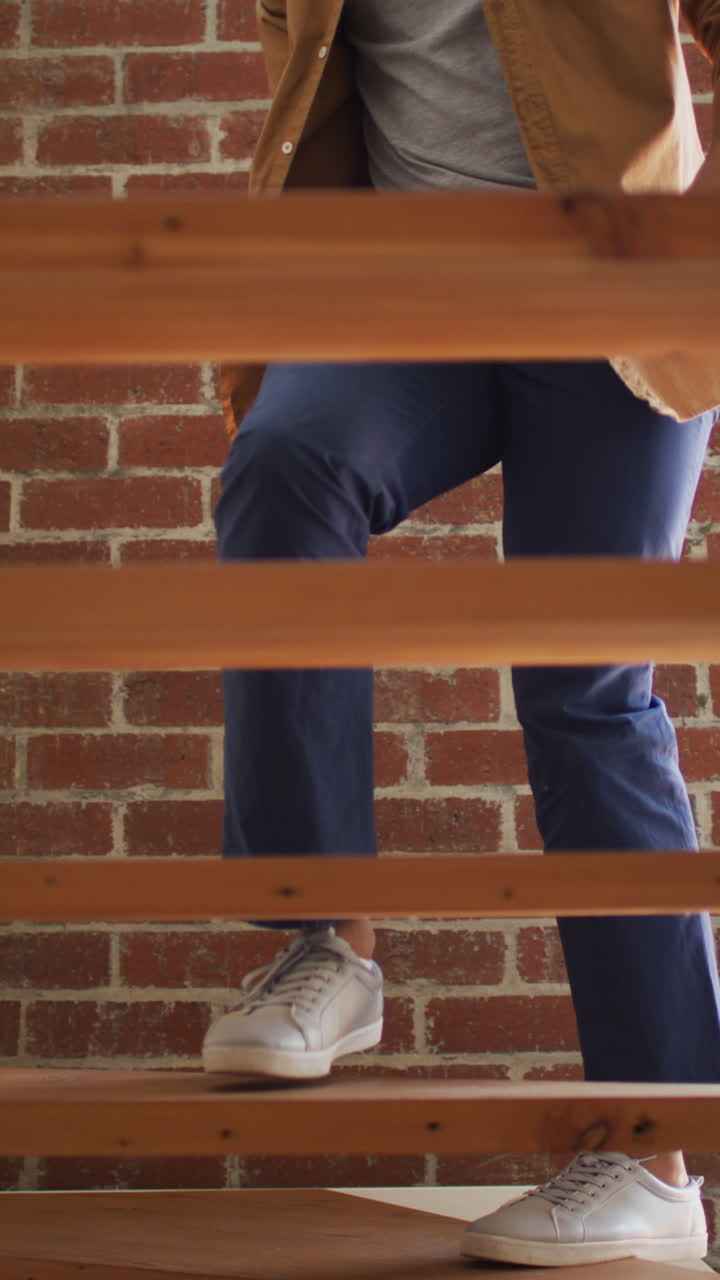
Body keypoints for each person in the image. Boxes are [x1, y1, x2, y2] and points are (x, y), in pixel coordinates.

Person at [203, 1, 720, 1266]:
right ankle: (334, 941)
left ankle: (656, 1152)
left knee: (585, 690)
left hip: (613, 287)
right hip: (405, 288)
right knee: (284, 467)